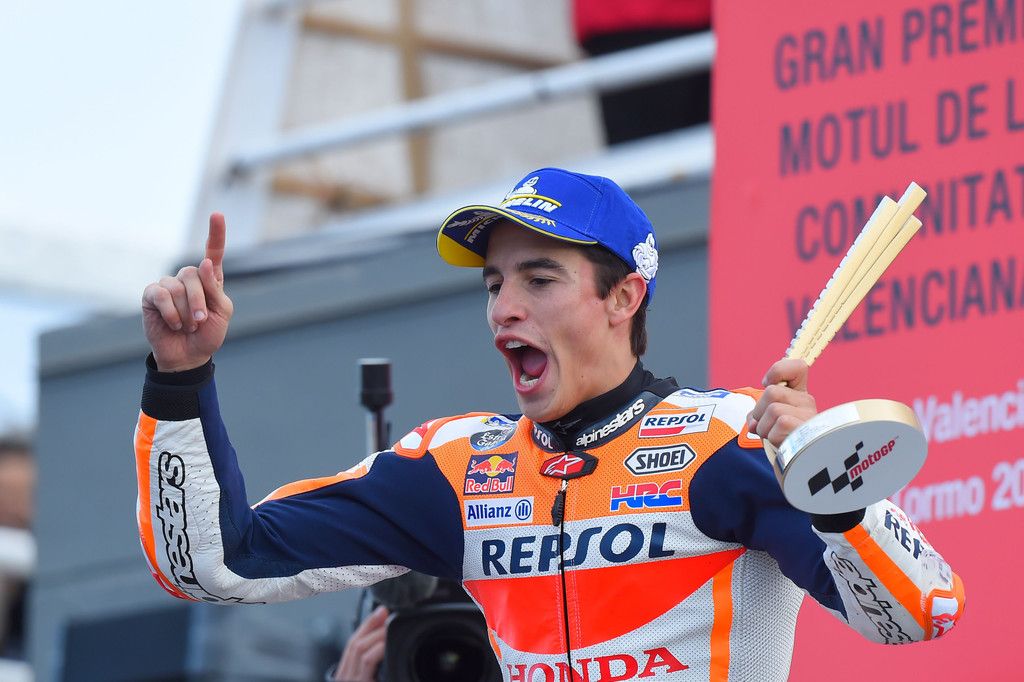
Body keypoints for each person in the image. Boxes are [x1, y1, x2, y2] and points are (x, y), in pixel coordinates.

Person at [134, 167, 964, 680]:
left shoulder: (731, 441)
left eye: (538, 279)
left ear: (623, 297)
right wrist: (181, 379)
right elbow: (213, 565)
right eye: (494, 284)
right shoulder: (455, 468)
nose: (504, 308)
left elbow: (921, 612)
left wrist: (832, 486)